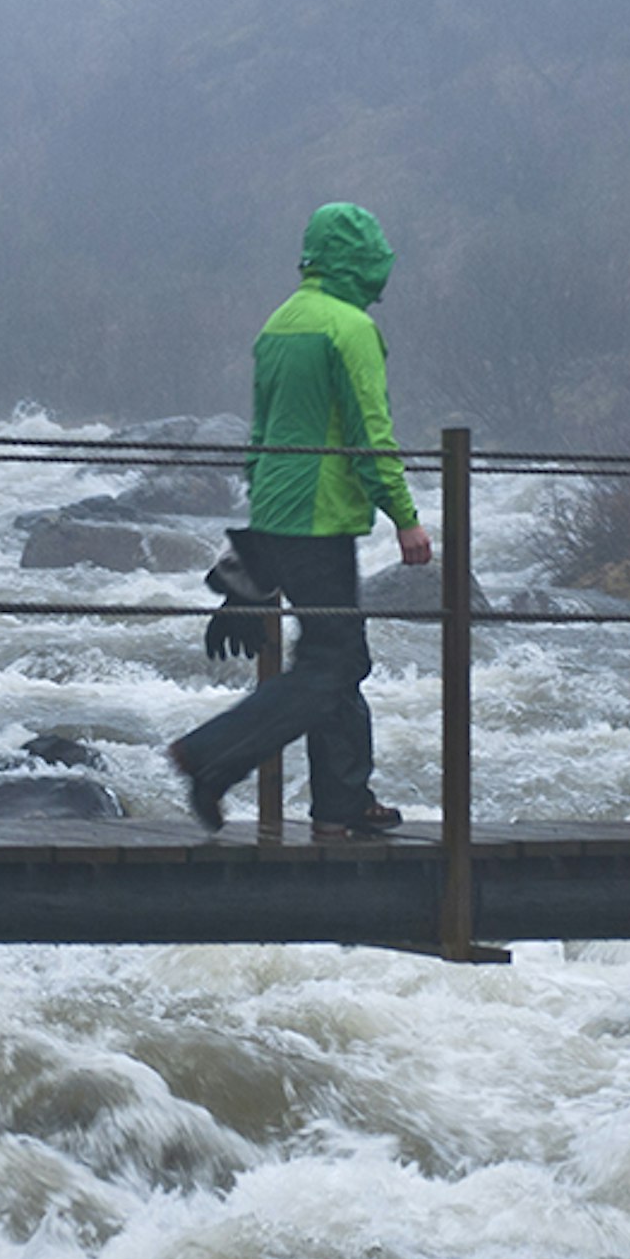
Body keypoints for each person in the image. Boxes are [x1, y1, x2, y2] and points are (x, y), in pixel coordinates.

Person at [167, 202, 428, 839]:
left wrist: (254, 538)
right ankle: (210, 757)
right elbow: (371, 431)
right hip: (321, 514)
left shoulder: (280, 322)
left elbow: (261, 430)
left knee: (336, 655)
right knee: (333, 661)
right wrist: (405, 516)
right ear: (362, 259)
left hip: (280, 508)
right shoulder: (349, 327)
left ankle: (343, 803)